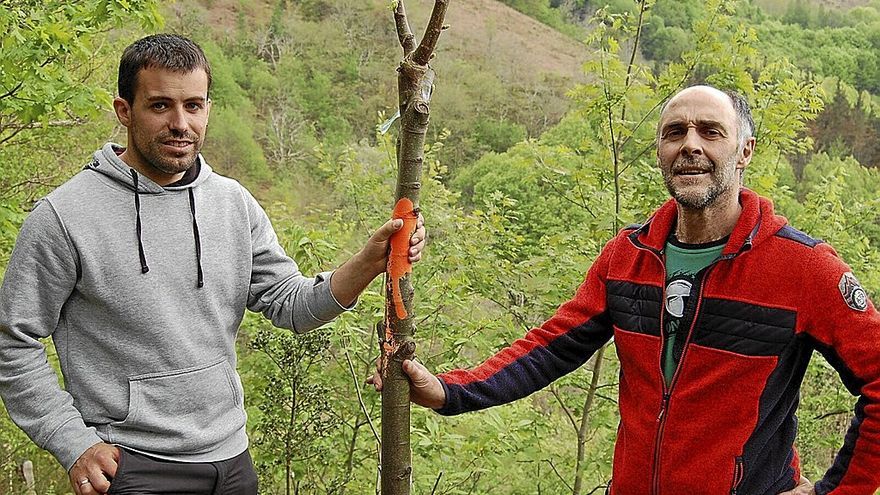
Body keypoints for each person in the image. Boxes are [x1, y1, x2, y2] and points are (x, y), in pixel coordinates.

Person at [370, 85, 880, 494]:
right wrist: (450, 391)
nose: (691, 145)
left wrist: (834, 491)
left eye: (710, 131)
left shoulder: (801, 267)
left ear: (744, 150)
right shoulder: (629, 256)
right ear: (660, 151)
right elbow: (552, 346)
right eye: (674, 132)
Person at [0, 34, 425, 495]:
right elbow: (13, 341)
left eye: (194, 106)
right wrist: (71, 442)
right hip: (131, 464)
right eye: (160, 106)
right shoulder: (65, 216)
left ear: (208, 109)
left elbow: (293, 306)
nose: (181, 123)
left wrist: (368, 262)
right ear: (125, 111)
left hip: (231, 458)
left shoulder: (232, 203)